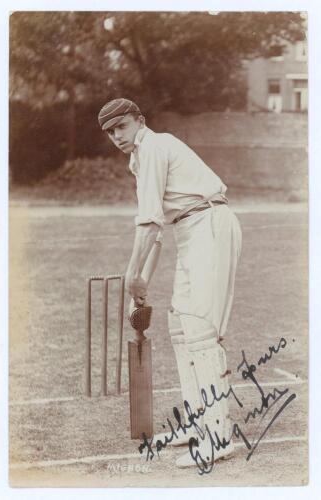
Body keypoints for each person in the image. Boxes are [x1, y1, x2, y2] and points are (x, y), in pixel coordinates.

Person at [98, 98, 242, 468]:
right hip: (189, 230)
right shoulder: (140, 159)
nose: (117, 136)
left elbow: (148, 224)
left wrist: (132, 274)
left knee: (200, 331)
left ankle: (219, 435)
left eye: (122, 126)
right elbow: (158, 230)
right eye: (111, 131)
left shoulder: (155, 146)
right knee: (178, 325)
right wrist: (143, 276)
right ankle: (197, 423)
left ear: (139, 121)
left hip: (209, 223)